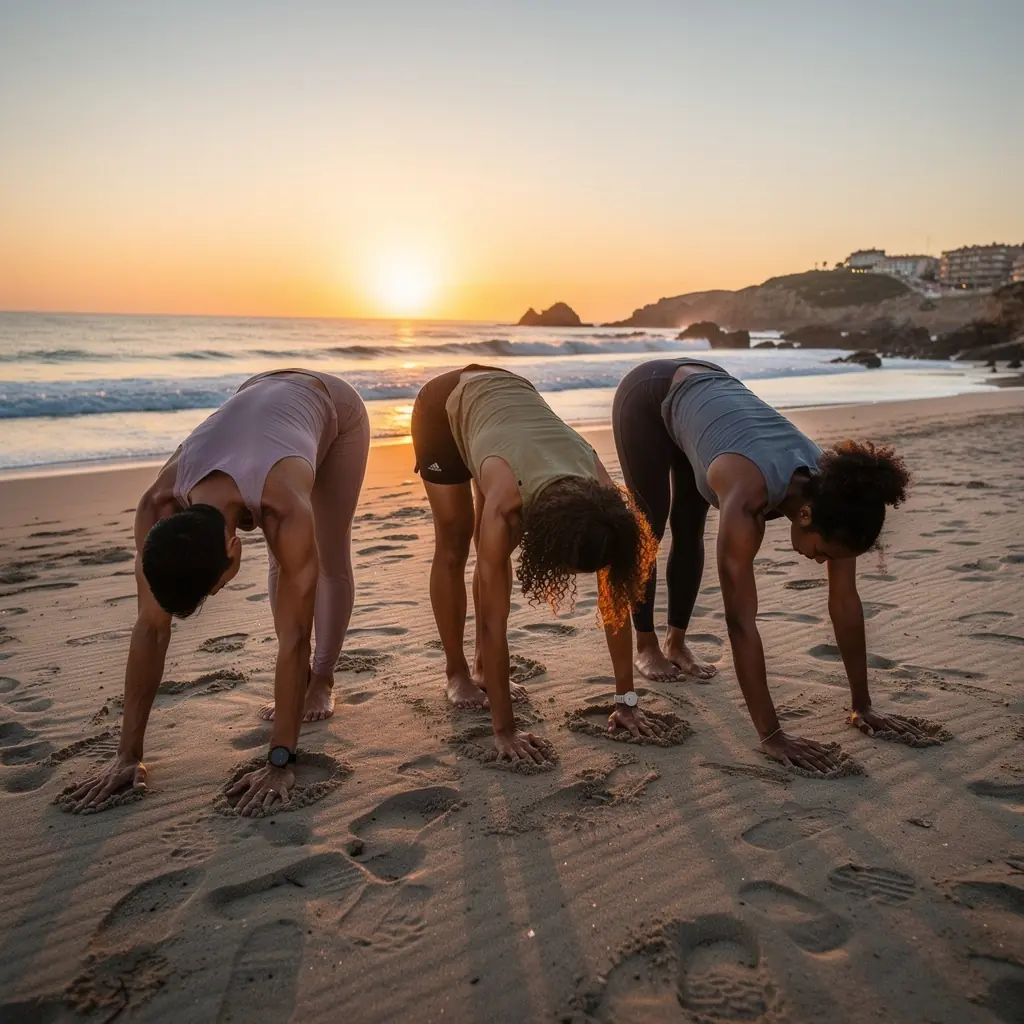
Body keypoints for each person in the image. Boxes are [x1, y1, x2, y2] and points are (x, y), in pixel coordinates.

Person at [68, 369, 370, 814]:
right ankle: (302, 684)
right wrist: (127, 755)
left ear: (233, 548)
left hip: (333, 405)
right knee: (285, 561)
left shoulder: (285, 507)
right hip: (258, 391)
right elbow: (151, 627)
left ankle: (321, 679)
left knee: (324, 553)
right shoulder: (156, 507)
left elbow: (294, 640)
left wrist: (280, 760)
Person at [613, 358, 923, 775]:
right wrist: (772, 735)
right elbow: (740, 622)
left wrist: (862, 704)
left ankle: (676, 643)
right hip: (649, 394)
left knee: (688, 526)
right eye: (824, 553)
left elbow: (845, 601)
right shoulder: (747, 497)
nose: (821, 561)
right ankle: (647, 645)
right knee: (647, 530)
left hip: (710, 404)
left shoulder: (839, 497)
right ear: (805, 515)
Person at [411, 364, 660, 766]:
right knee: (456, 542)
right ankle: (457, 672)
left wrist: (626, 701)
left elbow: (615, 604)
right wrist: (504, 731)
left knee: (487, 541)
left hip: (508, 402)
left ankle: (484, 669)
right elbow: (493, 623)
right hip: (444, 404)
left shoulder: (606, 503)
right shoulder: (507, 507)